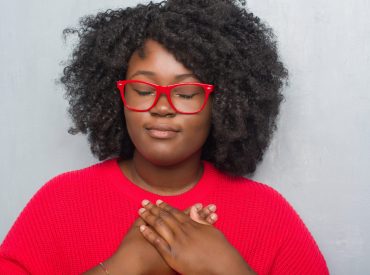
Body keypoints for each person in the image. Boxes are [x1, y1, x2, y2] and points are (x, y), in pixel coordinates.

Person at [0, 0, 329, 274]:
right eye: (143, 89)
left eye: (185, 93)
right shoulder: (60, 202)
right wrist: (123, 267)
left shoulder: (268, 214)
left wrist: (227, 269)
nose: (161, 107)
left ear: (224, 103)